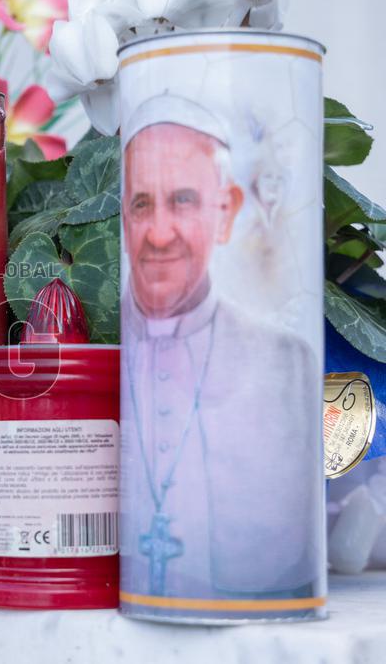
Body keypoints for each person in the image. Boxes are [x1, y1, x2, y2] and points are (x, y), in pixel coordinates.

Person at [119, 95, 321, 600]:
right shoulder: (95, 348)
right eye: (142, 203)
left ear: (225, 212)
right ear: (122, 216)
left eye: (183, 200)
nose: (159, 234)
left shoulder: (286, 365)